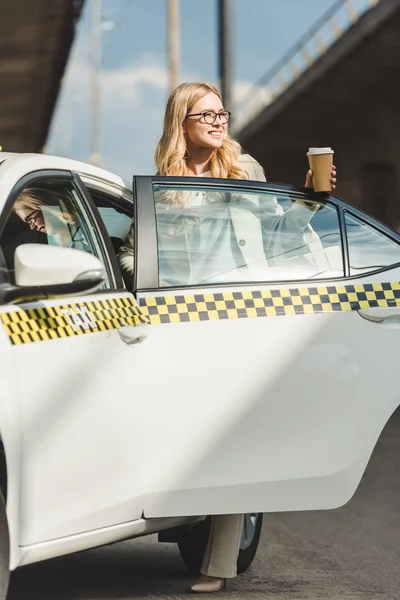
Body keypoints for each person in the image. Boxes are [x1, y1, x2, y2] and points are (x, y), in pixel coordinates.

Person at [150, 81, 337, 594]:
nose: (217, 122)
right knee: (188, 434)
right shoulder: (160, 185)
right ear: (180, 124)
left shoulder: (244, 171)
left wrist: (311, 200)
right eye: (204, 115)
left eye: (221, 113)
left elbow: (280, 236)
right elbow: (139, 254)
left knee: (234, 437)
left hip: (241, 317)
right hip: (183, 323)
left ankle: (219, 563)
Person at [14, 188, 91, 253]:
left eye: (29, 220)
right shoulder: (55, 244)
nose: (32, 227)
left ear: (44, 207)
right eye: (28, 223)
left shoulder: (87, 235)